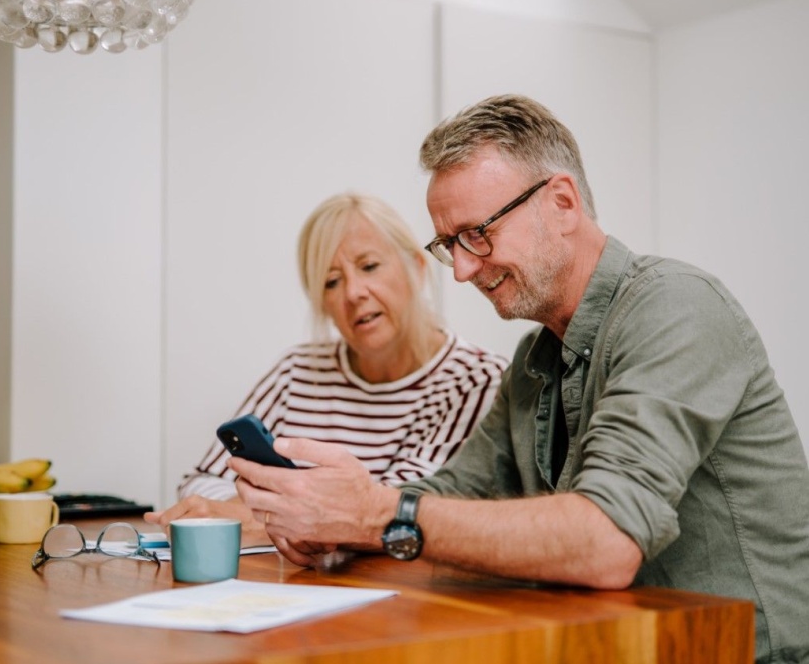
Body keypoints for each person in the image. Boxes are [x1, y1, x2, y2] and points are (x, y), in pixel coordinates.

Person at [229, 95, 809, 663]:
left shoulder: (678, 306)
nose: (460, 269)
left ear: (561, 203)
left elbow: (606, 540)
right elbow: (446, 496)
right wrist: (335, 523)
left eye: (477, 233)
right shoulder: (534, 360)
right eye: (448, 244)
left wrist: (373, 514)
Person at [145, 192, 508, 543]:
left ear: (416, 266)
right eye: (331, 281)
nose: (353, 293)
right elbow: (202, 480)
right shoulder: (297, 371)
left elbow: (399, 511)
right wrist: (286, 517)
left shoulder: (475, 381)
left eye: (369, 266)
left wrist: (255, 515)